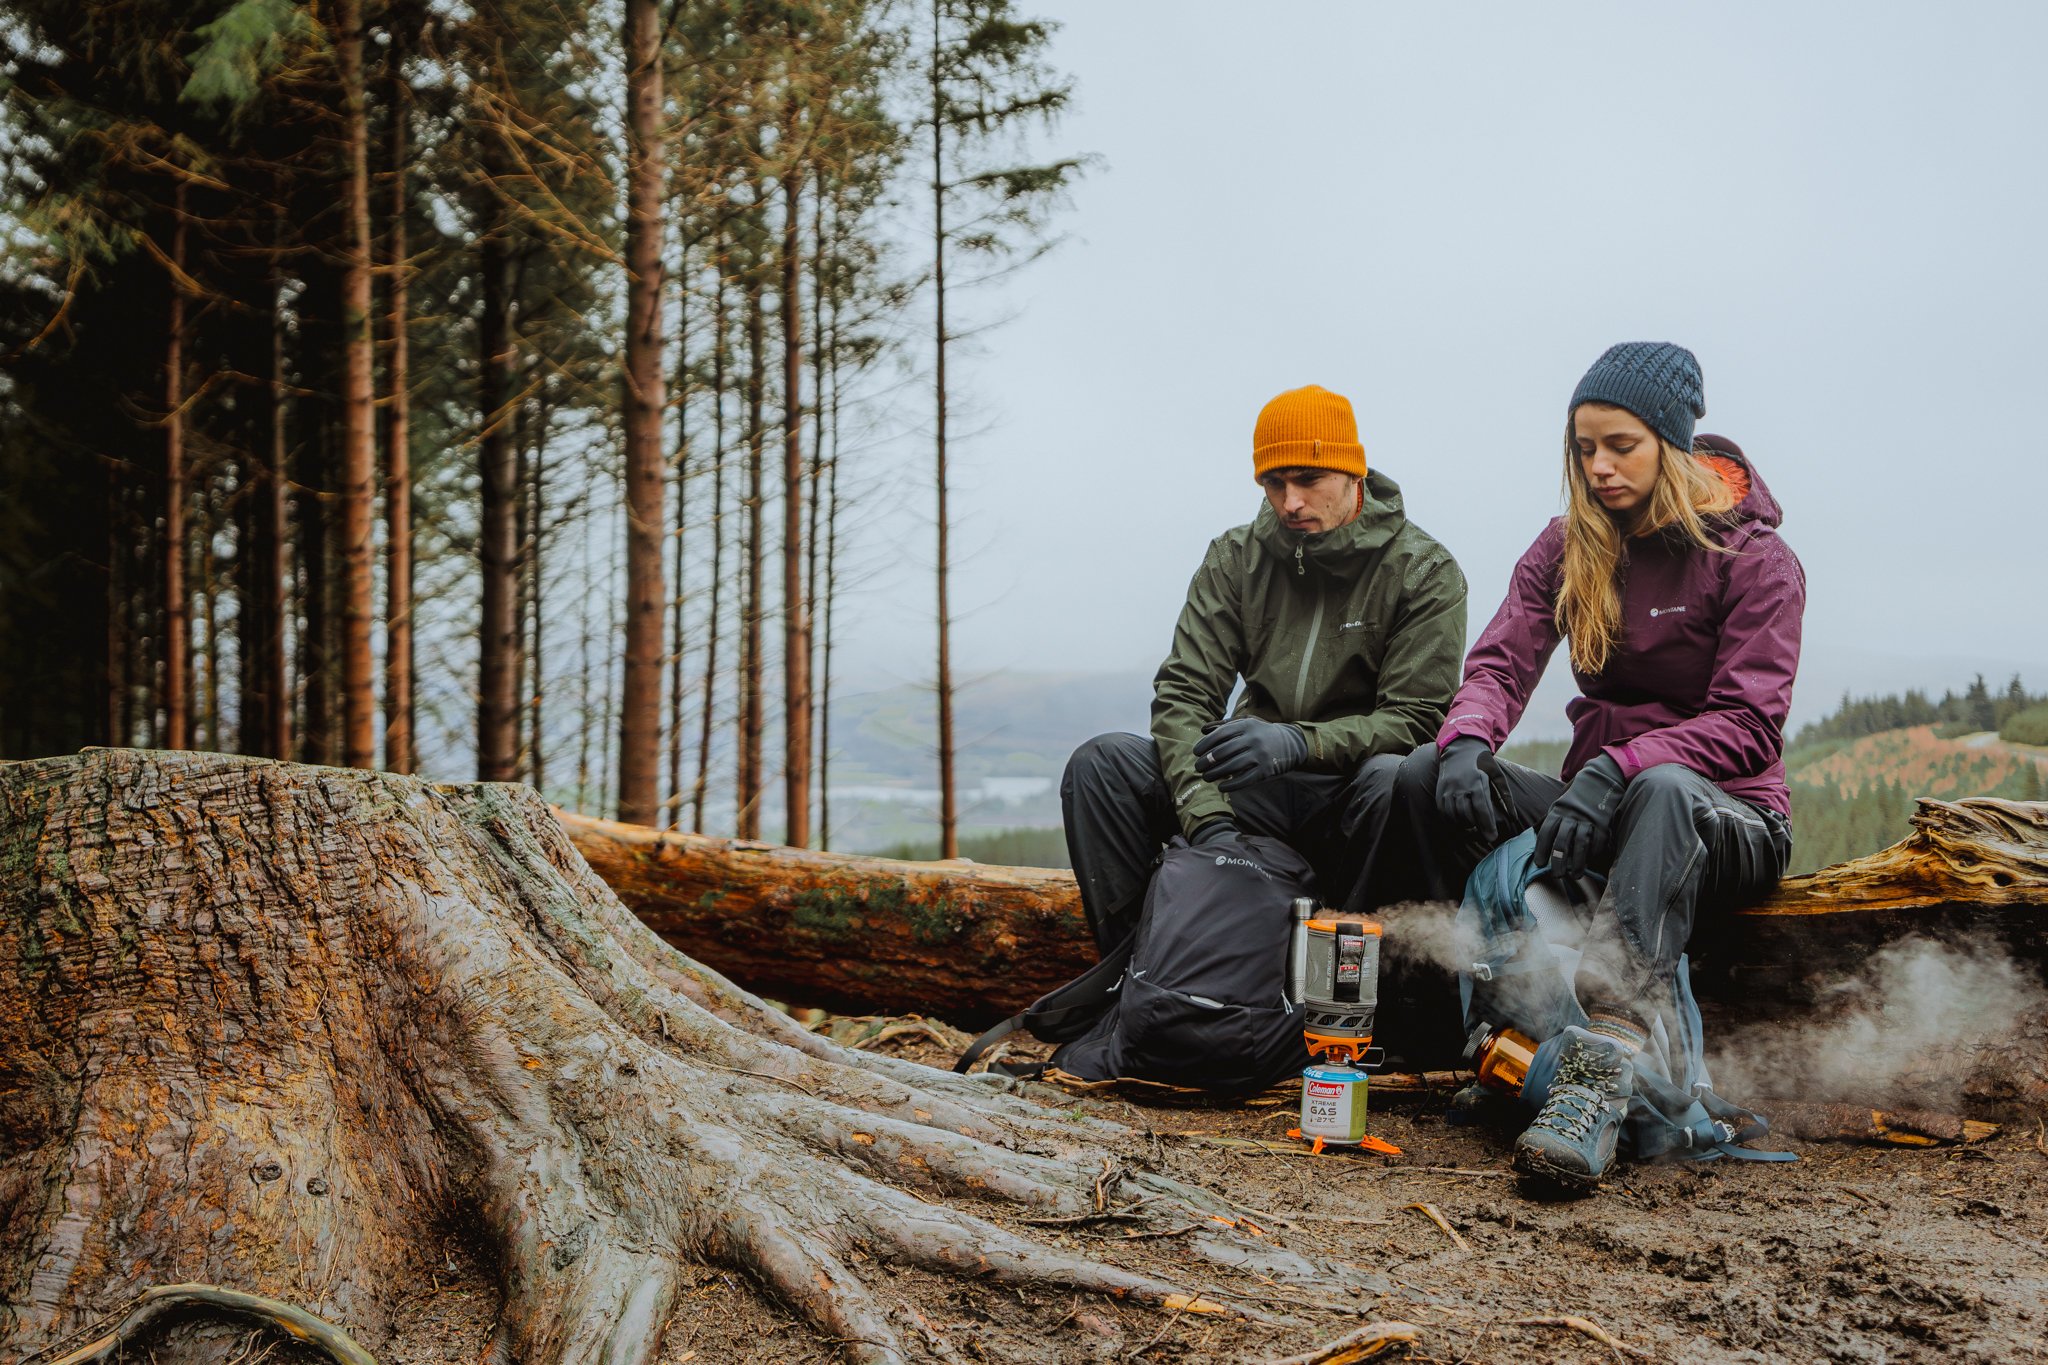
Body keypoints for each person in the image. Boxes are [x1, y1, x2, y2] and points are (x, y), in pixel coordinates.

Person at [1354, 341, 1803, 1189]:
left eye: (1619, 446)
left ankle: (1600, 1075)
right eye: (1583, 447)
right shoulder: (1572, 544)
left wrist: (1623, 765)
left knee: (1663, 787)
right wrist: (1465, 743)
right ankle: (1479, 1037)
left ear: (1671, 444)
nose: (1598, 467)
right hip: (1606, 803)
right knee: (1421, 774)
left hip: (1725, 818)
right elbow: (1499, 663)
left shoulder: (1755, 559)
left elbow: (1750, 723)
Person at [1061, 384, 1467, 953]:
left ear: (1351, 472)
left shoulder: (1422, 569)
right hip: (1248, 785)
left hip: (1352, 794)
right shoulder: (1235, 558)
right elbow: (1184, 694)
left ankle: (1361, 999)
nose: (1290, 503)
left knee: (1396, 777)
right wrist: (1210, 822)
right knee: (1104, 764)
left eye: (1308, 480)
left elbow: (1419, 719)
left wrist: (1299, 743)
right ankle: (1140, 979)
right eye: (1274, 483)